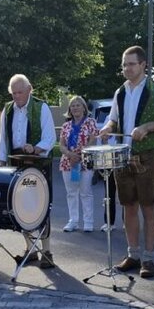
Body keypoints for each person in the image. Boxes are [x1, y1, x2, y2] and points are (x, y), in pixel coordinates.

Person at [97, 46, 154, 279]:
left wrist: (147, 127)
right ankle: (133, 255)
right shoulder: (120, 92)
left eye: (131, 64)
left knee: (148, 207)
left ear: (143, 65)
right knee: (128, 206)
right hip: (123, 157)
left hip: (147, 156)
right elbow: (113, 120)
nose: (126, 68)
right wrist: (106, 128)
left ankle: (149, 259)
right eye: (124, 64)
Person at [0, 74, 58, 268]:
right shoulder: (7, 110)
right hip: (16, 161)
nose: (16, 96)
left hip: (38, 161)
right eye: (13, 93)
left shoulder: (41, 107)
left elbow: (50, 137)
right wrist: (1, 162)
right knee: (20, 207)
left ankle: (46, 251)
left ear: (30, 89)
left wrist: (36, 148)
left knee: (41, 206)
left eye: (20, 92)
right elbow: (3, 139)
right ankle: (30, 250)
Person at [58, 95, 98, 233]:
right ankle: (73, 221)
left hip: (85, 161)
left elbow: (93, 140)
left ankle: (88, 222)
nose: (75, 108)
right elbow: (61, 145)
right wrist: (70, 155)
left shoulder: (90, 122)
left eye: (78, 105)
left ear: (84, 107)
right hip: (68, 162)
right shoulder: (66, 125)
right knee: (71, 193)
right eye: (73, 106)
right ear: (70, 109)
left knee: (85, 192)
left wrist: (80, 154)